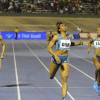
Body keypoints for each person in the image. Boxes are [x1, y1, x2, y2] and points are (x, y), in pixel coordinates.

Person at [48, 22, 83, 100]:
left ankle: (64, 98)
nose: (65, 26)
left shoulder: (68, 37)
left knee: (65, 80)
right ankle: (52, 74)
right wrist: (55, 56)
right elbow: (49, 48)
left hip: (65, 59)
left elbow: (69, 44)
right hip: (56, 58)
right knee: (51, 75)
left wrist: (78, 43)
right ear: (60, 29)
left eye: (65, 25)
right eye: (63, 26)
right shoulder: (56, 37)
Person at [88, 28, 100, 94]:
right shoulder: (95, 39)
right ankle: (96, 82)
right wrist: (89, 49)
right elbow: (89, 43)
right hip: (96, 56)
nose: (99, 31)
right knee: (98, 68)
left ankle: (98, 84)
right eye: (98, 30)